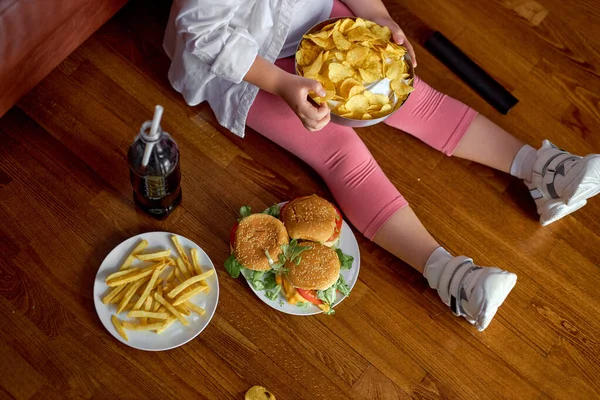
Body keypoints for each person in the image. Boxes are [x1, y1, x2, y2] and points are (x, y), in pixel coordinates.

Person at [163, 0, 600, 330]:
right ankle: (454, 281)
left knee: (415, 99)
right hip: (243, 66)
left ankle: (542, 171)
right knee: (339, 152)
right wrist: (281, 83)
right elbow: (203, 32)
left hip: (311, 15)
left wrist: (380, 16)